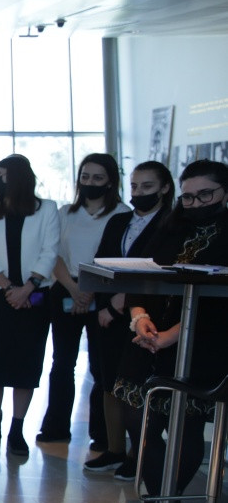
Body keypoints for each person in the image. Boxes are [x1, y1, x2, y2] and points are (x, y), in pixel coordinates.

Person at [109, 160, 228, 503]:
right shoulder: (171, 226)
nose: (195, 204)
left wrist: (173, 334)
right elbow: (141, 277)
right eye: (188, 197)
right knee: (137, 418)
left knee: (186, 427)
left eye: (205, 195)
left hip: (200, 345)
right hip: (148, 339)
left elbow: (218, 306)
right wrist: (139, 318)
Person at [83, 161, 174, 477]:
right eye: (134, 186)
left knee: (134, 383)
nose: (138, 192)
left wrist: (118, 304)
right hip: (107, 312)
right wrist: (105, 305)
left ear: (164, 188)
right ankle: (114, 449)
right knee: (108, 379)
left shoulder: (170, 224)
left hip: (145, 315)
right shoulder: (119, 220)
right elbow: (103, 262)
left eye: (147, 187)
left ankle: (138, 455)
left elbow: (155, 269)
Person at [37, 154, 130, 447]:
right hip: (66, 288)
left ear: (110, 182)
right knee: (62, 361)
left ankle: (102, 434)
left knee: (100, 366)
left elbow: (119, 257)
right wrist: (74, 288)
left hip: (103, 293)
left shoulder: (122, 214)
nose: (90, 182)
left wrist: (89, 290)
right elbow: (53, 254)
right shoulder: (65, 212)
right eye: (85, 177)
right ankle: (56, 427)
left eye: (98, 178)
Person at [0, 154, 61, 455]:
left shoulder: (47, 209)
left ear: (18, 177)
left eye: (1, 174)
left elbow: (50, 251)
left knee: (27, 363)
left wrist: (27, 288)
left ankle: (17, 429)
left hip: (34, 296)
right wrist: (11, 288)